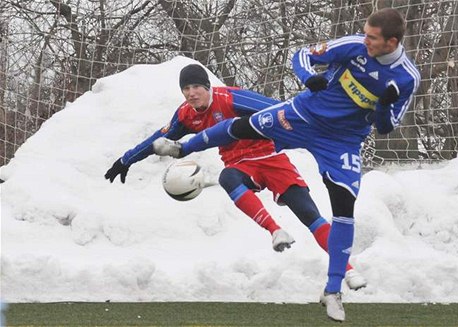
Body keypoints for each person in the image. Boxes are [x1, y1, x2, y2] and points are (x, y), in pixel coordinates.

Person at [152, 8, 420, 321]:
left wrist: (385, 102)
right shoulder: (354, 46)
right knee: (245, 125)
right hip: (303, 115)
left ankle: (333, 289)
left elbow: (386, 126)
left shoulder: (406, 78)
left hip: (341, 142)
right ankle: (183, 148)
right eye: (365, 34)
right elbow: (302, 55)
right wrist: (310, 78)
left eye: (372, 38)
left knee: (344, 210)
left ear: (391, 42)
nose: (366, 41)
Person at [105, 64, 367, 288]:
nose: (191, 93)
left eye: (196, 86)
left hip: (271, 160)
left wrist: (302, 133)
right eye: (186, 89)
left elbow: (277, 109)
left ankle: (349, 271)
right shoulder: (185, 115)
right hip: (241, 166)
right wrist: (125, 160)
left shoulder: (230, 98)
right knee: (227, 177)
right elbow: (157, 139)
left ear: (207, 86)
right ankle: (276, 231)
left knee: (311, 215)